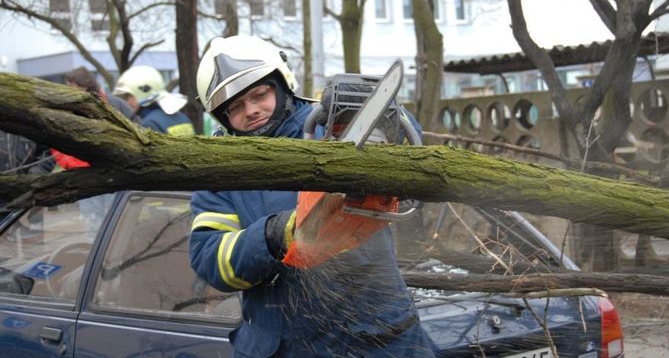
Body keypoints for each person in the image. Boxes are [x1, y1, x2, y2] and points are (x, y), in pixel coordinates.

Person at [190, 35, 435, 357]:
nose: (251, 110)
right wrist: (273, 236)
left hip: (379, 337)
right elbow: (210, 260)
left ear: (281, 83)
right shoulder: (218, 170)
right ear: (221, 117)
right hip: (286, 347)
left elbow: (415, 159)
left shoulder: (331, 125)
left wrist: (383, 125)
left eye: (259, 94)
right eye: (235, 107)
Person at [113, 65, 194, 136]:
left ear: (143, 92)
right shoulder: (183, 118)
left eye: (129, 96)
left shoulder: (149, 124)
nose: (128, 102)